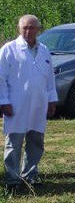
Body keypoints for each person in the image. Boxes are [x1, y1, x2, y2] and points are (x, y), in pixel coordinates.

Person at [0, 15, 58, 193]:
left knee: (36, 141)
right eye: (24, 27)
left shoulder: (44, 50)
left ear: (38, 30)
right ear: (19, 28)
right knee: (14, 142)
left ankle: (30, 174)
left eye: (32, 28)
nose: (28, 31)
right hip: (16, 104)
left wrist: (52, 99)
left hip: (38, 104)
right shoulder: (9, 49)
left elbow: (50, 78)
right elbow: (0, 78)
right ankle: (12, 178)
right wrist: (3, 102)